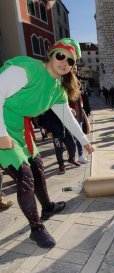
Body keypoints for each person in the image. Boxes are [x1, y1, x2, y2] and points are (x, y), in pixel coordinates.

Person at [0, 38, 94, 248]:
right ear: (51, 54)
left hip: (21, 130)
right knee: (25, 176)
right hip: (2, 127)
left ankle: (48, 207)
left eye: (70, 60)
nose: (64, 62)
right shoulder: (28, 69)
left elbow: (68, 119)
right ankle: (36, 228)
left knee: (38, 168)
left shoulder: (57, 89)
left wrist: (84, 141)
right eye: (61, 55)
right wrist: (1, 133)